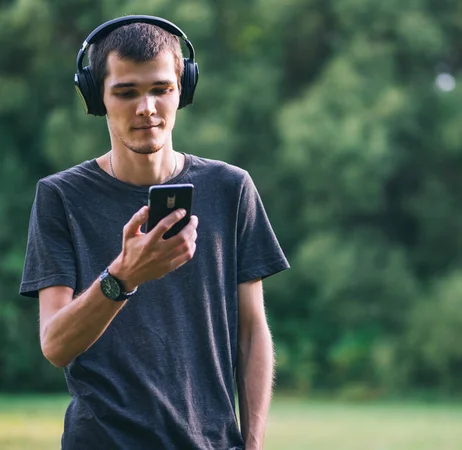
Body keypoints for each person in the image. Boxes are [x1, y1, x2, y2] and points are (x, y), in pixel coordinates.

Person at [19, 15, 289, 450]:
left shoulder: (231, 188)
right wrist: (123, 277)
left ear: (183, 90)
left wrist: (253, 443)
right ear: (96, 98)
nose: (146, 107)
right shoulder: (60, 197)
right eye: (126, 92)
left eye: (160, 89)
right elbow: (55, 345)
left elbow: (252, 329)